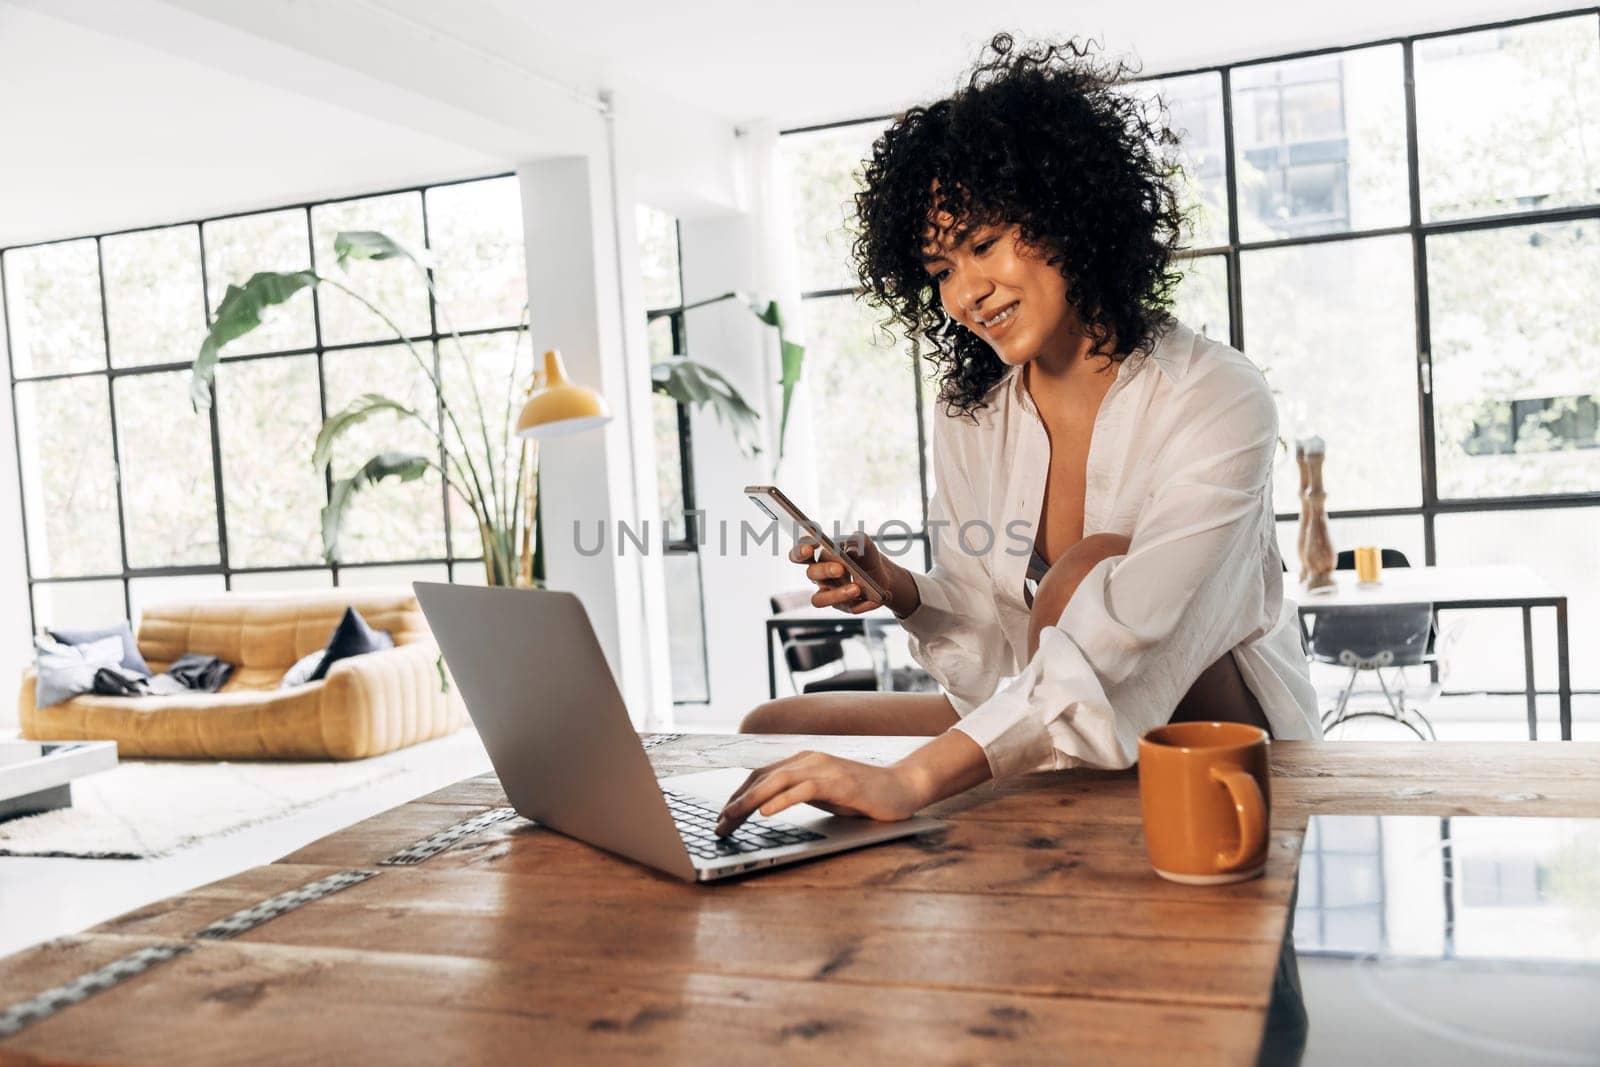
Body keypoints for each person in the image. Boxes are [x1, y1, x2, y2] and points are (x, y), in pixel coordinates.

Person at [716, 34, 1319, 836]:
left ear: (1067, 213)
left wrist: (908, 781)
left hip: (1224, 754)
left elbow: (1131, 641)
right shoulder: (973, 415)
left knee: (1087, 570)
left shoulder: (1215, 396)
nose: (965, 292)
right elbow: (997, 647)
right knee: (773, 723)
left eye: (983, 244)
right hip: (1063, 720)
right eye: (939, 270)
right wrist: (903, 590)